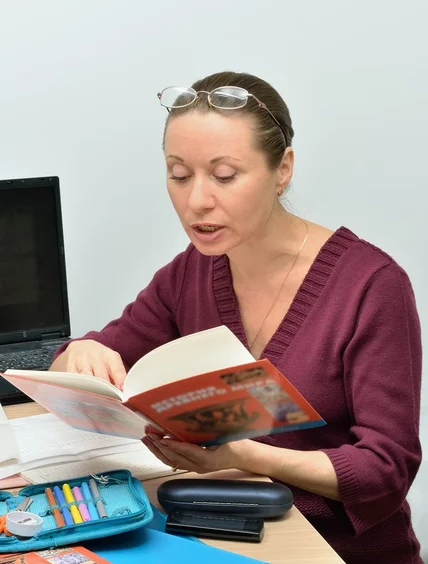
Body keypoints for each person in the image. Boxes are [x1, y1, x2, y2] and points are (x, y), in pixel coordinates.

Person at [50, 71, 423, 564]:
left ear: (282, 169)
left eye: (224, 176)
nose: (196, 200)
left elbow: (386, 468)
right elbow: (77, 364)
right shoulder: (192, 271)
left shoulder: (372, 286)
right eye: (178, 175)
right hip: (227, 536)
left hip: (342, 552)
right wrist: (81, 351)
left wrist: (244, 456)